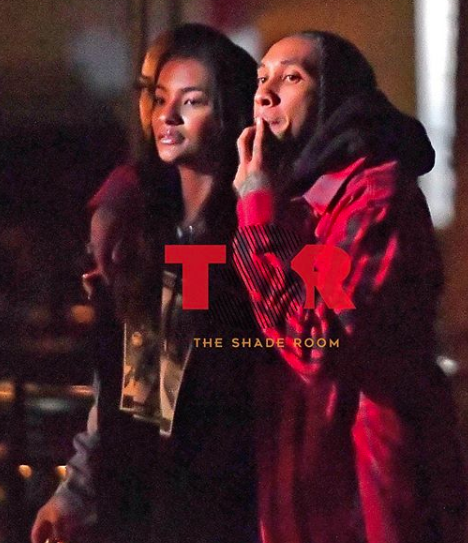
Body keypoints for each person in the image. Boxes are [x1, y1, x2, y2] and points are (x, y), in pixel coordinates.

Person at [232, 31, 468, 543]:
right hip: (306, 492)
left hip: (368, 499)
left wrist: (256, 213)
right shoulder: (295, 199)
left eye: (291, 78)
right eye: (261, 79)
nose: (265, 94)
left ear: (335, 96)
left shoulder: (374, 197)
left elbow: (315, 341)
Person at [31, 23, 258, 543]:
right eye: (160, 99)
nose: (167, 116)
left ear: (228, 114)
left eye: (191, 101)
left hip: (222, 509)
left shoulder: (250, 234)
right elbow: (131, 387)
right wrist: (74, 493)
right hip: (136, 506)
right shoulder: (145, 234)